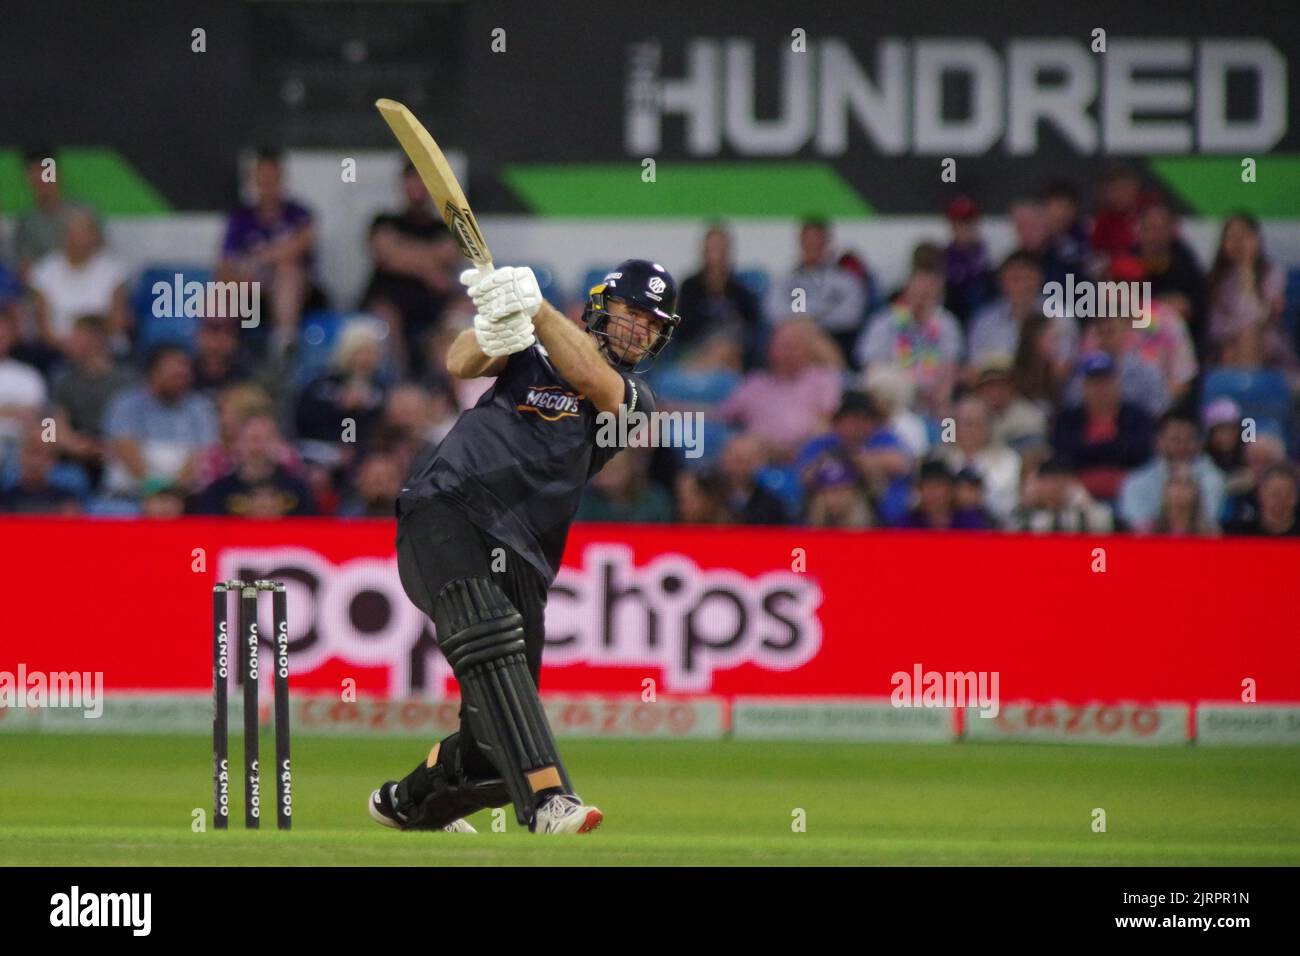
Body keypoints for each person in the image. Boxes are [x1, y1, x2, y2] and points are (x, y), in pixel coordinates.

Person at [370, 258, 679, 836]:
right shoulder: (529, 355)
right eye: (633, 312)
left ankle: (407, 804)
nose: (642, 329)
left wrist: (534, 307)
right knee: (487, 631)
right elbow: (459, 360)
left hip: (524, 560)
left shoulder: (634, 399)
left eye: (654, 323)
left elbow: (591, 379)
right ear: (601, 306)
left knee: (492, 747)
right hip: (445, 510)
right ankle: (548, 800)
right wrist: (493, 329)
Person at [675, 224, 761, 363]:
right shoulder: (689, 287)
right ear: (703, 253)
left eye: (720, 250)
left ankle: (693, 375)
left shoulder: (740, 290)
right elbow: (682, 330)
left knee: (726, 349)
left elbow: (751, 326)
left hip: (732, 348)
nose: (715, 257)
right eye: (711, 250)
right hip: (698, 347)